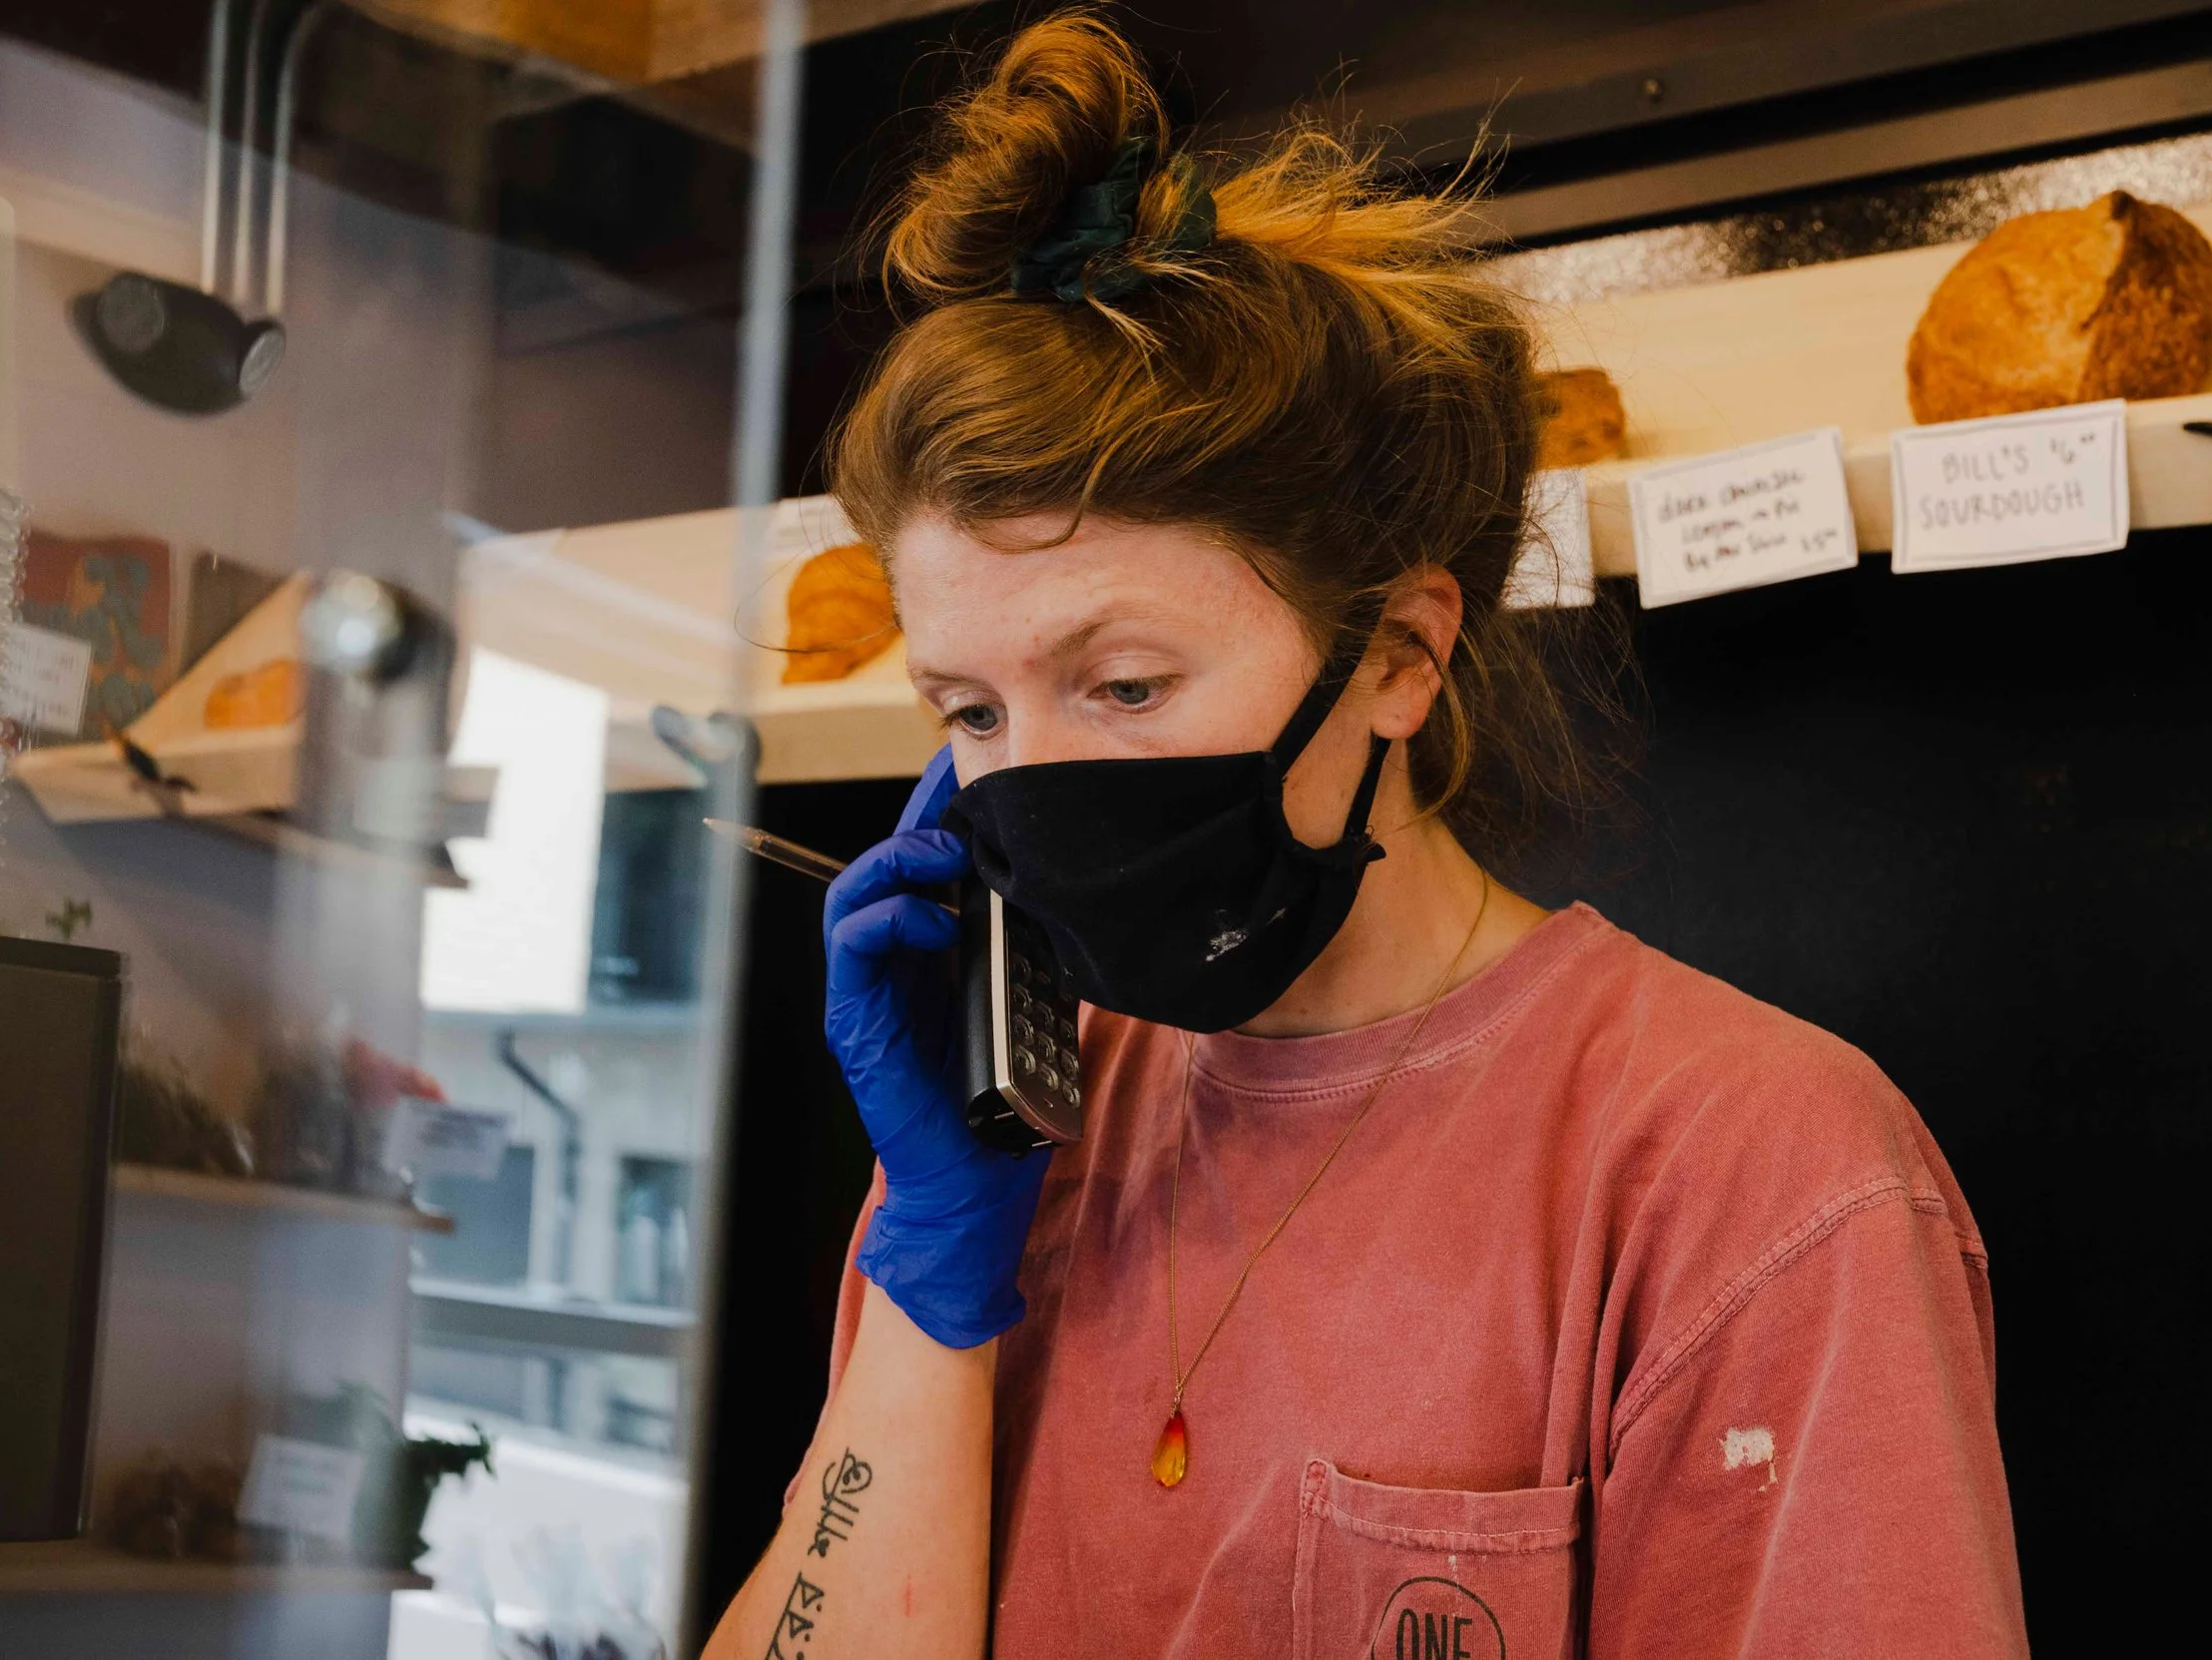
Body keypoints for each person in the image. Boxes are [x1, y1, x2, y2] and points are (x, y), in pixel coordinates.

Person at [702, 14, 2023, 1658]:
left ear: (1397, 651)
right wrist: (930, 1276)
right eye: (970, 712)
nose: (1029, 784)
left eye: (1121, 682)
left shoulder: (1751, 1170)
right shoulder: (1011, 1144)